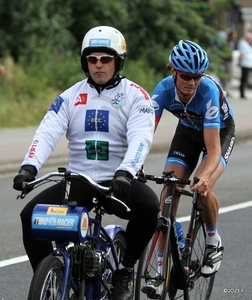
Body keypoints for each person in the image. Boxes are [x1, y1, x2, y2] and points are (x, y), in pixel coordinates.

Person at [13, 25, 160, 300]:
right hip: (77, 182)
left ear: (118, 61)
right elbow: (47, 132)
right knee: (29, 216)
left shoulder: (136, 96)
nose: (98, 65)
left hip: (117, 183)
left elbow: (142, 137)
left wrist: (126, 171)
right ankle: (51, 281)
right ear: (85, 62)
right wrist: (28, 167)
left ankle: (125, 271)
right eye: (92, 59)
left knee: (150, 206)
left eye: (105, 58)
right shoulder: (70, 96)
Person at [142, 40, 235, 297]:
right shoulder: (162, 90)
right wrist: (134, 164)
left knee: (202, 188)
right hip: (187, 132)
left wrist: (204, 176)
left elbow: (213, 150)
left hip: (219, 133)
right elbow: (144, 134)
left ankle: (213, 241)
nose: (192, 82)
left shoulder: (208, 92)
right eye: (185, 76)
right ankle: (161, 269)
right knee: (169, 190)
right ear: (173, 71)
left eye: (197, 76)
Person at [237, 32, 252, 98]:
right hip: (245, 64)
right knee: (244, 79)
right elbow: (241, 54)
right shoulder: (243, 44)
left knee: (246, 79)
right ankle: (242, 93)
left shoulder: (249, 44)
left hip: (250, 63)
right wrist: (239, 62)